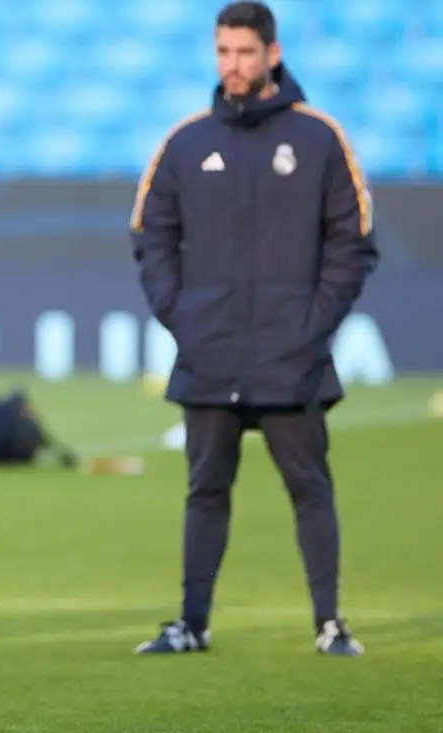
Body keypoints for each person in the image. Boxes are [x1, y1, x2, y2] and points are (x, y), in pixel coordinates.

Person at [129, 1, 378, 657]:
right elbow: (151, 235)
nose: (231, 66)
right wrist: (181, 315)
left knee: (310, 490)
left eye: (243, 52)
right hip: (209, 356)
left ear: (272, 53)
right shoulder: (185, 143)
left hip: (291, 356)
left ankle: (330, 624)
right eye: (222, 53)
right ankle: (191, 624)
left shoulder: (319, 138)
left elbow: (353, 243)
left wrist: (310, 326)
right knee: (204, 493)